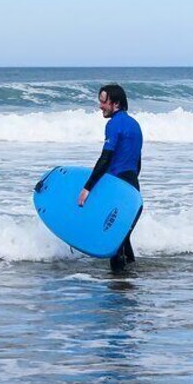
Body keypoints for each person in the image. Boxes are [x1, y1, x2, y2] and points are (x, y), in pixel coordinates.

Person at [77, 84, 143, 272]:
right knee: (123, 236)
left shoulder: (113, 124)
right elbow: (137, 162)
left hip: (117, 186)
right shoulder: (135, 125)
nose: (100, 106)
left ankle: (119, 288)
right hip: (132, 186)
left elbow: (105, 158)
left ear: (116, 103)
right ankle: (131, 279)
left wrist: (87, 187)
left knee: (115, 241)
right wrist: (130, 189)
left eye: (103, 101)